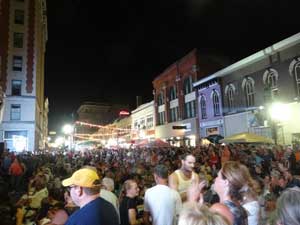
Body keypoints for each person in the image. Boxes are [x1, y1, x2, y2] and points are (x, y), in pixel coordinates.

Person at [213, 161, 249, 225]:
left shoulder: (219, 210)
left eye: (218, 176)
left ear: (225, 182)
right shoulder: (240, 208)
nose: (215, 179)